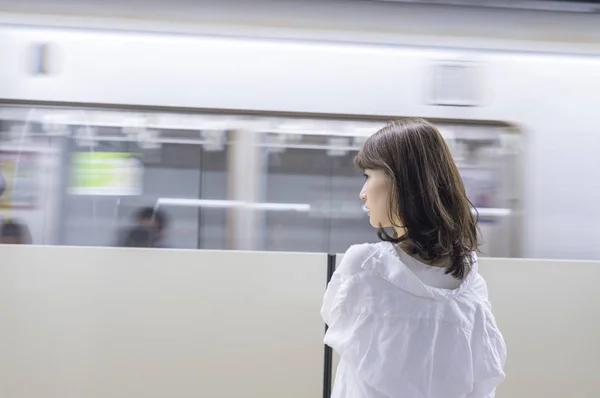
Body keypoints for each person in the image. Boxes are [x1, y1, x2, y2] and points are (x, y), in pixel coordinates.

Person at [321, 118, 507, 398]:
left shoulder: (364, 267)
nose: (363, 193)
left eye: (368, 176)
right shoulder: (470, 285)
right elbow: (481, 387)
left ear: (399, 180)